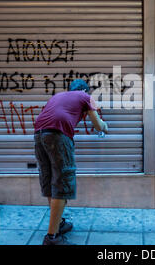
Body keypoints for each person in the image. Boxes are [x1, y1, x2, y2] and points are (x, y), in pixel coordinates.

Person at [34, 79, 108, 245]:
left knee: (50, 180)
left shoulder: (58, 96)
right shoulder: (84, 96)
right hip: (57, 135)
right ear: (84, 90)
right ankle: (52, 238)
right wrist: (105, 126)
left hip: (39, 134)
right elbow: (97, 124)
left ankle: (58, 224)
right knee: (62, 182)